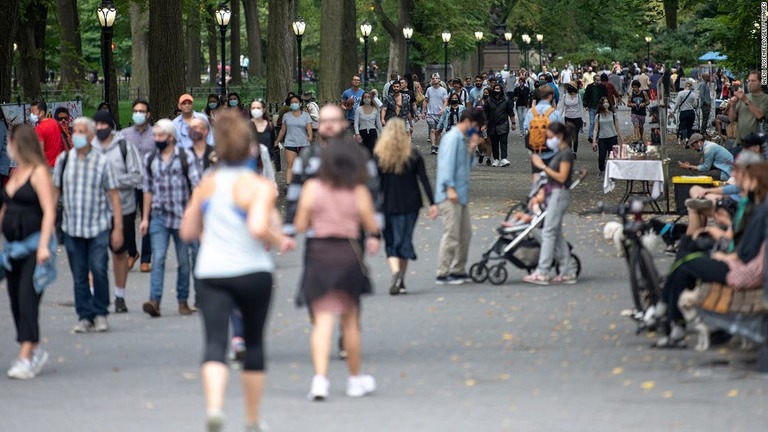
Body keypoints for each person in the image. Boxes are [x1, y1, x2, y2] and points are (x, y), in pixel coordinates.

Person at [179, 109, 294, 432]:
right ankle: (253, 418)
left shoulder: (207, 183)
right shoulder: (256, 185)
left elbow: (188, 230)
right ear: (249, 148)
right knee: (254, 343)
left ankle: (215, 408)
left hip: (212, 272)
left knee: (214, 342)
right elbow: (259, 226)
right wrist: (279, 238)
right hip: (251, 271)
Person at [294, 139, 379, 401]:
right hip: (347, 255)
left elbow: (299, 224)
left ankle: (320, 380)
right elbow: (371, 224)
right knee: (350, 322)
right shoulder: (358, 190)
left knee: (322, 320)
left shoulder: (312, 187)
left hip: (319, 253)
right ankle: (354, 379)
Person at [650, 163, 768, 347]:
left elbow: (746, 252)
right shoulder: (758, 207)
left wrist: (725, 256)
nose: (740, 183)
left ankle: (666, 313)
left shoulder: (760, 211)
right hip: (745, 268)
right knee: (685, 265)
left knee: (686, 262)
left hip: (744, 273)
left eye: (745, 180)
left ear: (755, 183)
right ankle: (672, 322)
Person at [53, 117, 123, 333]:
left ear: (91, 135)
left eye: (82, 131)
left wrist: (118, 228)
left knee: (99, 269)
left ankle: (101, 313)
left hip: (98, 227)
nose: (78, 134)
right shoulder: (64, 160)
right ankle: (85, 316)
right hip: (72, 228)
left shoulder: (102, 162)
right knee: (79, 274)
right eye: (75, 131)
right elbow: (55, 192)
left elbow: (114, 196)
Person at [1, 124, 56, 379]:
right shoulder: (16, 173)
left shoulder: (38, 172)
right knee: (14, 298)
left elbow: (49, 211)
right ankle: (32, 348)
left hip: (35, 246)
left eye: (8, 142)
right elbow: (6, 207)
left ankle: (26, 355)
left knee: (27, 296)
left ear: (17, 143)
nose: (6, 147)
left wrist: (45, 245)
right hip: (13, 249)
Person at [139, 119, 201, 318]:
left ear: (171, 138)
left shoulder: (185, 157)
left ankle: (182, 301)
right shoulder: (150, 159)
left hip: (182, 216)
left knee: (184, 261)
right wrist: (145, 218)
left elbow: (197, 186)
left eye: (161, 136)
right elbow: (147, 190)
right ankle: (154, 300)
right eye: (155, 135)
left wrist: (192, 212)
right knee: (158, 258)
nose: (157, 139)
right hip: (159, 216)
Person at [374, 119, 437, 295]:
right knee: (405, 238)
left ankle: (396, 274)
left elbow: (374, 183)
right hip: (411, 203)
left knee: (392, 240)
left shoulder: (380, 155)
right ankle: (401, 277)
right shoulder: (413, 154)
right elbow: (423, 179)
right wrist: (432, 203)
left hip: (388, 203)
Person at [93, 111, 143, 314]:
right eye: (96, 124)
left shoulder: (124, 147)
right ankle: (95, 294)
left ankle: (120, 296)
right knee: (94, 254)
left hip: (123, 208)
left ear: (111, 126)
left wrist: (113, 182)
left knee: (119, 253)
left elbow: (137, 176)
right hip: (95, 208)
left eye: (104, 124)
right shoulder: (89, 148)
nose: (100, 128)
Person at [434, 109, 486, 285]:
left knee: (465, 234)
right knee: (452, 234)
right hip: (450, 194)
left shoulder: (462, 140)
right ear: (469, 122)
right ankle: (443, 272)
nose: (477, 131)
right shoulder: (452, 138)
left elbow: (467, 166)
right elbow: (446, 164)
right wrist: (449, 187)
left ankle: (458, 270)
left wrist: (472, 147)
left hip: (460, 193)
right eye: (477, 127)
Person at [524, 122, 578, 285]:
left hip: (558, 194)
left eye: (549, 137)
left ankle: (543, 271)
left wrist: (542, 166)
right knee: (555, 233)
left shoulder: (566, 153)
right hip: (555, 194)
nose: (548, 141)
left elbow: (561, 177)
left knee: (548, 232)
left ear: (558, 136)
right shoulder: (560, 152)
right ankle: (567, 270)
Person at [121, 99, 155, 273]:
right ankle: (132, 252)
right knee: (127, 220)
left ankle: (146, 258)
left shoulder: (156, 134)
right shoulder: (124, 134)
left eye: (142, 111)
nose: (138, 114)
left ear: (148, 114)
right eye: (136, 111)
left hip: (149, 183)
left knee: (146, 220)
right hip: (129, 183)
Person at [524, 86, 563, 182]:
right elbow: (561, 132)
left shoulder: (531, 111)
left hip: (535, 150)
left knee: (536, 174)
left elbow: (526, 129)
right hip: (551, 151)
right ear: (551, 96)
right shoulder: (555, 113)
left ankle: (536, 191)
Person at [275, 95, 313, 186]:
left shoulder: (306, 116)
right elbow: (283, 130)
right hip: (290, 143)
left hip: (304, 143)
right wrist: (277, 141)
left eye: (296, 102)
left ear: (300, 103)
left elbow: (309, 127)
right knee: (290, 165)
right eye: (292, 102)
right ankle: (288, 184)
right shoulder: (286, 116)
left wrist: (310, 136)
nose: (294, 104)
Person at [728, 70, 768, 145]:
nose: (750, 83)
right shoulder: (743, 97)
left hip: (756, 145)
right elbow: (731, 119)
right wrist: (732, 106)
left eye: (753, 81)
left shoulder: (765, 98)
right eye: (748, 81)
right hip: (739, 143)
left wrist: (746, 100)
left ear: (760, 83)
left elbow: (760, 115)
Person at [482, 83, 517, 167]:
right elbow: (485, 113)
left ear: (501, 90)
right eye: (495, 89)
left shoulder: (506, 100)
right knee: (494, 143)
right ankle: (496, 159)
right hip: (492, 125)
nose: (496, 90)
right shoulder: (489, 101)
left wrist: (513, 123)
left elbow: (511, 113)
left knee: (503, 142)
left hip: (503, 124)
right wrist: (484, 124)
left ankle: (504, 158)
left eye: (498, 89)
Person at [29, 100, 65, 168]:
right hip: (59, 165)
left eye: (33, 112)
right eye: (31, 112)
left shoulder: (39, 129)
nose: (31, 114)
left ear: (42, 112)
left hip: (47, 167)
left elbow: (40, 151)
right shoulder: (54, 122)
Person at [592, 97, 623, 176]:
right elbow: (596, 129)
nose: (606, 104)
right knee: (601, 157)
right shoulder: (598, 116)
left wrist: (621, 138)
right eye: (604, 102)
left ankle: (613, 172)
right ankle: (602, 170)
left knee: (613, 157)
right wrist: (594, 141)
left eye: (607, 102)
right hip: (602, 138)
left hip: (613, 137)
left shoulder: (613, 114)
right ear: (601, 104)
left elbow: (617, 127)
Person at [249, 100, 280, 172]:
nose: (256, 110)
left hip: (268, 160)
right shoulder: (247, 126)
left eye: (258, 108)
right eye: (253, 108)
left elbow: (272, 142)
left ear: (264, 109)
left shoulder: (269, 126)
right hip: (252, 161)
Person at [423, 73, 449, 154]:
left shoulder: (443, 90)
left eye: (436, 78)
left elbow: (446, 101)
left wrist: (443, 109)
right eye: (433, 78)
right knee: (432, 130)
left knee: (438, 131)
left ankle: (437, 146)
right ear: (432, 80)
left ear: (439, 80)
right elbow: (425, 100)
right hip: (430, 113)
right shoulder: (429, 90)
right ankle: (433, 146)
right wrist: (423, 111)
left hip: (440, 114)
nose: (435, 80)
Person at [353, 91, 383, 155]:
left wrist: (382, 133)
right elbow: (356, 123)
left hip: (373, 133)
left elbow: (378, 123)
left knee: (372, 152)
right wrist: (357, 134)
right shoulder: (358, 109)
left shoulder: (376, 109)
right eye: (365, 97)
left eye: (369, 97)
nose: (367, 99)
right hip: (362, 133)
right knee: (363, 152)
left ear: (371, 98)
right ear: (362, 98)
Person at [583, 76, 608, 144]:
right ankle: (591, 136)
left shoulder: (602, 87)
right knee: (592, 122)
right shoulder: (589, 87)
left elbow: (606, 95)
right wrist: (586, 105)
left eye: (599, 80)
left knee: (600, 122)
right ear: (594, 80)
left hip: (600, 108)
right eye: (597, 80)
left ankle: (598, 135)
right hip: (592, 107)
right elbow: (586, 96)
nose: (599, 81)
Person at [672, 79, 698, 144]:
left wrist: (674, 110)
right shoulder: (693, 94)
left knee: (682, 128)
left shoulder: (680, 93)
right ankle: (688, 141)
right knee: (690, 128)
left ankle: (686, 138)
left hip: (683, 112)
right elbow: (695, 105)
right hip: (691, 112)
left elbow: (677, 103)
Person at [560, 82, 583, 156]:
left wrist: (583, 119)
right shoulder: (564, 96)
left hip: (577, 117)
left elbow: (581, 107)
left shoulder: (578, 96)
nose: (570, 88)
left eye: (571, 86)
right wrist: (558, 117)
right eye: (569, 86)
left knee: (575, 135)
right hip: (568, 117)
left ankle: (574, 152)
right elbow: (561, 107)